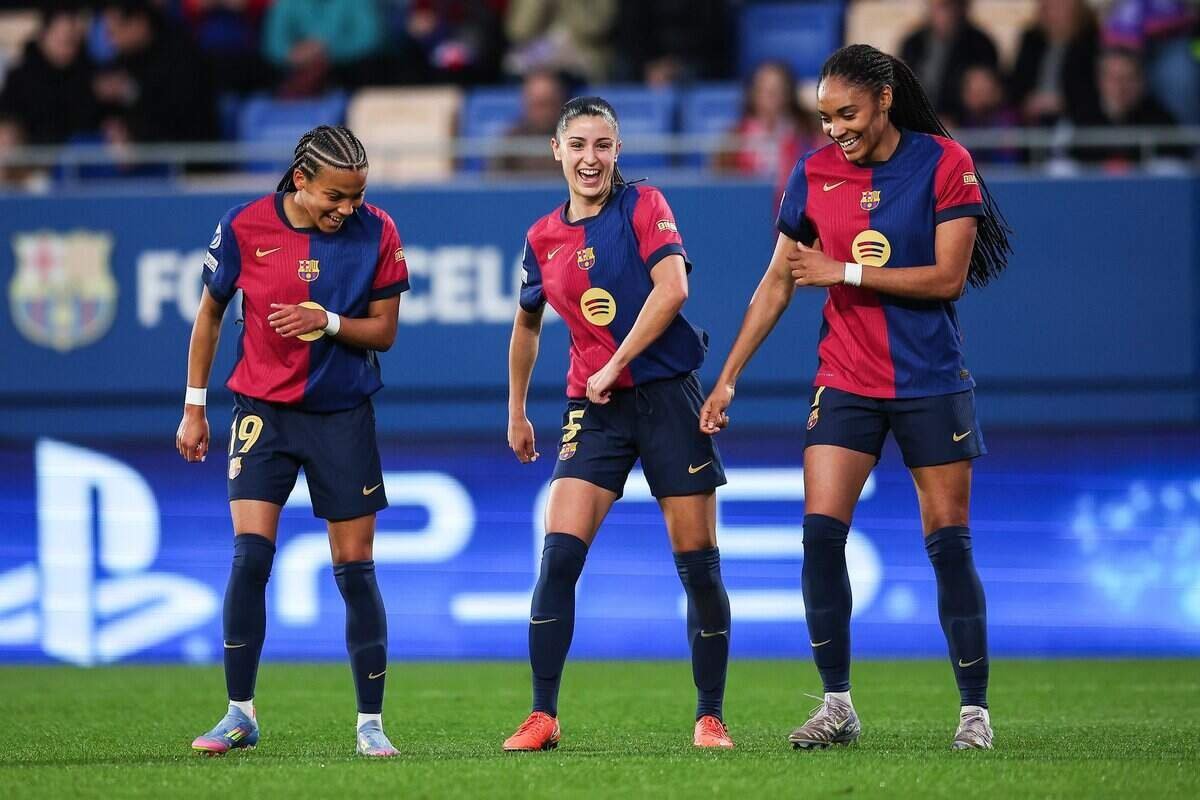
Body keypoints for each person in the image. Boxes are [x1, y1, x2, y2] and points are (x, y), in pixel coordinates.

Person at [700, 44, 1011, 751]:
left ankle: (974, 713)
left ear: (884, 100)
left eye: (847, 114)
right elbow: (779, 279)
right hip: (844, 378)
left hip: (930, 380)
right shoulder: (812, 173)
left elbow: (948, 278)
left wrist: (844, 271)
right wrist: (729, 375)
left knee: (948, 545)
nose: (835, 129)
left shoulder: (945, 163)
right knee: (819, 538)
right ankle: (837, 704)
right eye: (825, 117)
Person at [503, 96, 733, 752]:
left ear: (618, 150)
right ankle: (542, 715)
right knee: (558, 558)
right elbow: (527, 325)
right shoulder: (542, 237)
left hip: (667, 398)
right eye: (577, 145)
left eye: (602, 145)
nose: (590, 158)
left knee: (698, 564)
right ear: (556, 150)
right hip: (594, 410)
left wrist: (616, 363)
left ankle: (709, 717)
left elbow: (673, 289)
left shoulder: (644, 206)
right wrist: (517, 409)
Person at [176, 125, 410, 758]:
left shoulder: (378, 231)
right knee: (250, 558)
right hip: (263, 414)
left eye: (357, 196)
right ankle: (239, 714)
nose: (348, 209)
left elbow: (385, 332)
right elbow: (210, 314)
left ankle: (370, 724)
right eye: (336, 196)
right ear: (301, 180)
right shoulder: (244, 225)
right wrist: (194, 407)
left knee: (354, 570)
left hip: (342, 416)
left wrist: (325, 321)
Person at [898, 0, 999, 124]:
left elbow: (988, 97)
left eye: (950, 5)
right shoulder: (913, 44)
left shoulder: (981, 45)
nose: (946, 13)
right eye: (940, 6)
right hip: (918, 124)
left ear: (963, 7)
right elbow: (902, 89)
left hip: (965, 127)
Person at [1008, 0, 1101, 126]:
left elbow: (1094, 90)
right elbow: (1016, 84)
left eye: (1060, 5)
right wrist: (1028, 101)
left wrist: (1062, 102)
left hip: (1078, 123)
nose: (1054, 13)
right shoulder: (1031, 40)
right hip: (1031, 123)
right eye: (1049, 6)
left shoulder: (1091, 42)